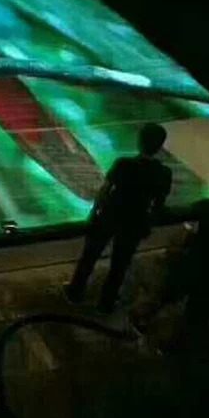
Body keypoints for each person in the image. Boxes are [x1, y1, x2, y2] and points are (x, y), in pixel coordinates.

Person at [64, 123, 173, 314]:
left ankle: (75, 292)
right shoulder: (164, 173)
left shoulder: (123, 164)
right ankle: (106, 303)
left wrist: (94, 215)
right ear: (160, 146)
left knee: (90, 256)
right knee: (119, 265)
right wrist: (148, 224)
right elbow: (158, 204)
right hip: (135, 222)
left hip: (109, 216)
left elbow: (104, 192)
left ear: (139, 142)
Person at [130, 198, 209, 348]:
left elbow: (173, 216)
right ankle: (185, 343)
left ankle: (143, 324)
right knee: (198, 311)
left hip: (194, 267)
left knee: (165, 294)